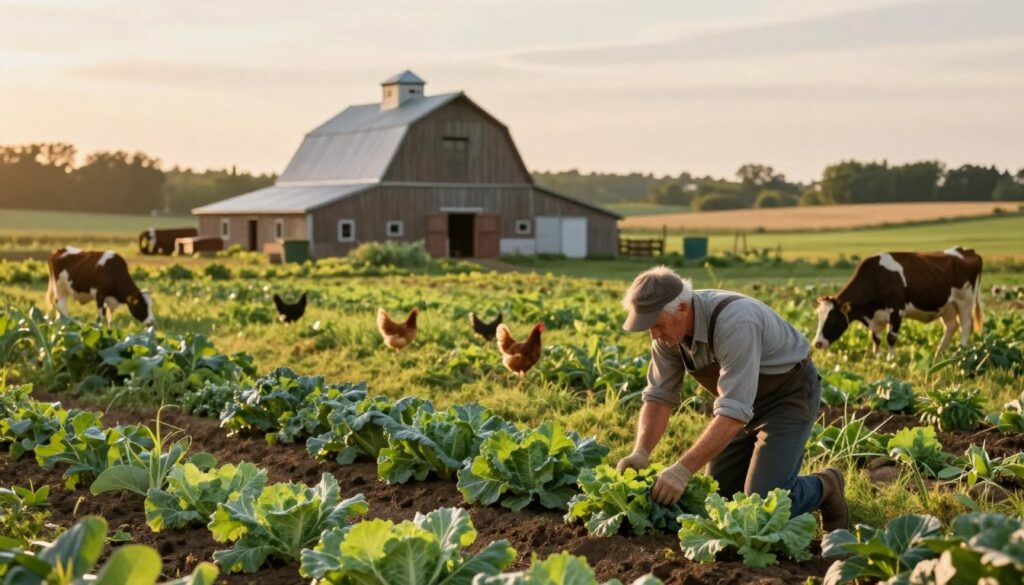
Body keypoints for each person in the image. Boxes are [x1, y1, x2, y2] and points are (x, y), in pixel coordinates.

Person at [616, 266, 848, 531]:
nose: (654, 335)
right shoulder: (668, 335)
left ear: (682, 308)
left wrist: (681, 470)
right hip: (738, 404)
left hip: (787, 397)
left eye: (656, 324)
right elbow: (659, 397)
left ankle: (826, 485)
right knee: (719, 502)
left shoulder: (735, 322)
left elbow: (734, 412)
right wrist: (641, 452)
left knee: (761, 508)